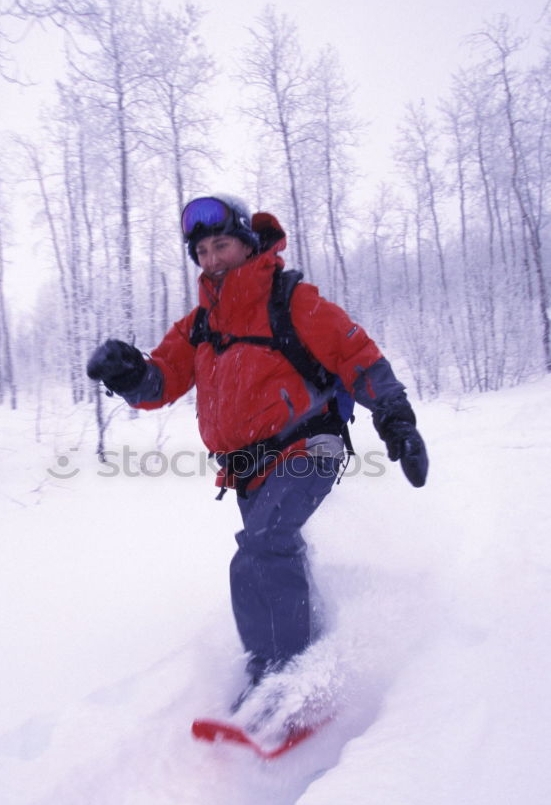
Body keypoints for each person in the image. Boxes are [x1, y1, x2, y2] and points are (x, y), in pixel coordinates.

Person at [87, 194, 428, 707]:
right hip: (247, 471)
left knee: (263, 545)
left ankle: (286, 679)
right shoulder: (199, 325)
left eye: (221, 244)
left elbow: (359, 357)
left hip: (309, 446)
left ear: (247, 243)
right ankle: (285, 653)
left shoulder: (293, 302)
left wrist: (396, 419)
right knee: (264, 552)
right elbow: (161, 380)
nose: (211, 259)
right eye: (201, 251)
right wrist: (129, 374)